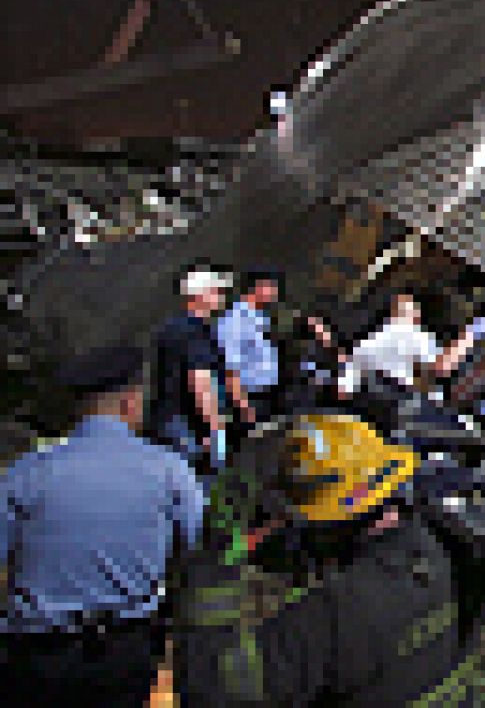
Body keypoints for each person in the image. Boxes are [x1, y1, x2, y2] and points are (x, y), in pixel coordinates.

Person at [174, 413, 485, 705]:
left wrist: (212, 562)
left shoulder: (333, 613)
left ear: (329, 520)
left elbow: (215, 690)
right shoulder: (444, 547)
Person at [0, 346, 204, 706]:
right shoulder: (170, 471)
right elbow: (195, 553)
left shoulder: (28, 473)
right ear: (130, 403)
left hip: (39, 652)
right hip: (124, 650)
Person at [335, 290, 485, 431]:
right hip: (408, 407)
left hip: (373, 406)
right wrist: (469, 337)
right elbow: (439, 369)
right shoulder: (418, 336)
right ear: (416, 315)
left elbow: (349, 374)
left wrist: (347, 390)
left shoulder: (374, 338)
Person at [151, 266, 233, 477]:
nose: (221, 296)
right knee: (198, 486)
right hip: (187, 427)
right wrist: (214, 430)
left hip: (173, 422)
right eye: (216, 291)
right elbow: (201, 382)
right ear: (198, 295)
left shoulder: (176, 326)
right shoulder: (193, 332)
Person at [216, 267, 284, 427]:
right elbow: (230, 365)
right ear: (258, 286)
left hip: (269, 393)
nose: (275, 293)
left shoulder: (262, 317)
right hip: (249, 396)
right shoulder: (236, 318)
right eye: (272, 287)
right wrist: (243, 404)